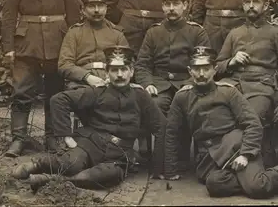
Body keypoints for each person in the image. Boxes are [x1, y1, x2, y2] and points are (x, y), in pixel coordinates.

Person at [163, 46, 278, 198]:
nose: (201, 74)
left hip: (236, 147)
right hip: (209, 158)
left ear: (214, 70)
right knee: (214, 184)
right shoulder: (182, 97)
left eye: (206, 69)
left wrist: (246, 154)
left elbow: (253, 124)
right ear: (189, 71)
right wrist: (169, 169)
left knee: (257, 188)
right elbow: (171, 132)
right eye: (196, 69)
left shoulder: (228, 92)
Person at [12, 46, 167, 190]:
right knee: (71, 164)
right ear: (107, 73)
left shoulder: (141, 96)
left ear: (131, 71)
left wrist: (158, 167)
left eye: (124, 69)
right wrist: (66, 135)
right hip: (89, 144)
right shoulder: (97, 92)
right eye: (114, 70)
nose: (119, 75)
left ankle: (52, 181)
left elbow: (161, 126)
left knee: (105, 176)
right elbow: (58, 100)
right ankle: (35, 164)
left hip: (119, 153)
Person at [1, 0, 82, 157]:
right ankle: (18, 140)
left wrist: (74, 46)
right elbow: (9, 14)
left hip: (58, 43)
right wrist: (8, 46)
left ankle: (52, 138)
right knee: (21, 92)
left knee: (55, 95)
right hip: (26, 44)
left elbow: (74, 14)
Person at [215, 0, 278, 168]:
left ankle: (252, 163)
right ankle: (222, 163)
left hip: (262, 88)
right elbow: (217, 67)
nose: (251, 6)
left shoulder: (276, 34)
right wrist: (231, 61)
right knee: (215, 112)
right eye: (247, 2)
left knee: (252, 117)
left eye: (256, 2)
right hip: (234, 84)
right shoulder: (234, 33)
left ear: (266, 6)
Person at [134, 0, 211, 166]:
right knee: (154, 105)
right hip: (159, 84)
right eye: (167, 3)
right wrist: (147, 84)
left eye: (176, 3)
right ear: (162, 7)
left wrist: (193, 83)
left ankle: (183, 157)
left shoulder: (196, 31)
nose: (171, 8)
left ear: (184, 5)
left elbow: (204, 64)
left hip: (187, 83)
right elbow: (142, 64)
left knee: (187, 106)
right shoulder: (153, 32)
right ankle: (159, 157)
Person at [58, 0, 129, 130]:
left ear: (106, 8)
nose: (96, 10)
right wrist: (87, 77)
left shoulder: (117, 34)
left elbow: (127, 63)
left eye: (100, 6)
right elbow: (64, 64)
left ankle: (100, 136)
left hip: (112, 82)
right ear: (83, 10)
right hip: (82, 84)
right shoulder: (74, 33)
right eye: (91, 6)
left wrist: (113, 78)